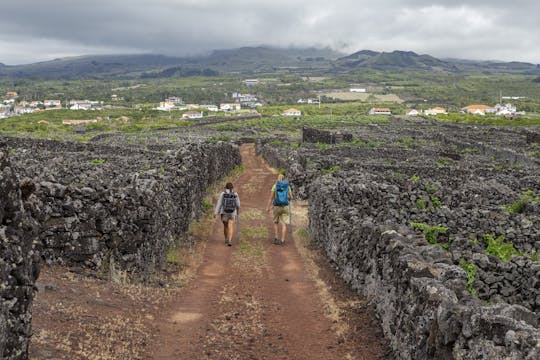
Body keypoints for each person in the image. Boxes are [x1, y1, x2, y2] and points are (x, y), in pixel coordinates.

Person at [266, 174, 293, 245]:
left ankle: (276, 237)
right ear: (284, 179)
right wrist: (287, 199)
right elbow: (291, 197)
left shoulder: (275, 186)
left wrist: (268, 207)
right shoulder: (287, 186)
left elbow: (271, 198)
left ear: (277, 179)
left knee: (276, 222)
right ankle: (283, 240)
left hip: (276, 206)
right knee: (284, 224)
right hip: (285, 206)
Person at [215, 182, 240, 246]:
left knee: (225, 226)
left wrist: (216, 213)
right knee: (231, 225)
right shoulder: (235, 194)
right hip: (232, 212)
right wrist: (237, 211)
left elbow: (219, 204)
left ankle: (226, 239)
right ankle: (230, 240)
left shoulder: (223, 194)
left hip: (224, 212)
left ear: (226, 187)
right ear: (232, 188)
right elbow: (238, 205)